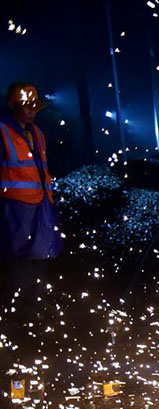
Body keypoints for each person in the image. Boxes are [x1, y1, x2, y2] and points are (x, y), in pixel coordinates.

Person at [0, 83, 63, 336]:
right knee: (20, 260)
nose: (31, 112)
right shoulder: (2, 131)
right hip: (14, 207)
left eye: (34, 108)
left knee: (41, 256)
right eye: (27, 108)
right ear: (14, 107)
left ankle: (33, 308)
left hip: (40, 205)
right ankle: (15, 313)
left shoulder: (37, 133)